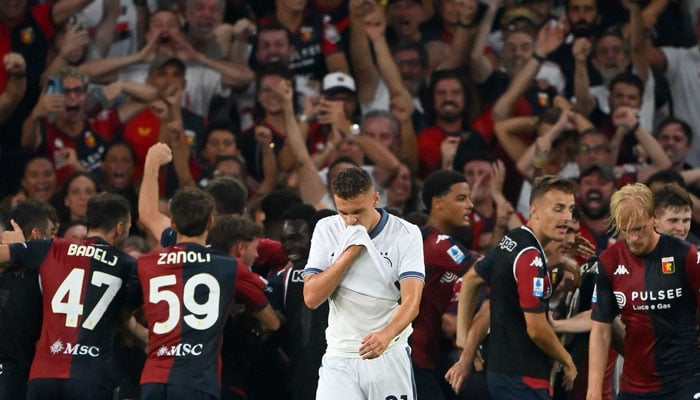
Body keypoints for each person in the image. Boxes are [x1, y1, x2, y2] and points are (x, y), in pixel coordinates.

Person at [303, 166, 425, 399]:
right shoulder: (326, 229)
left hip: (387, 352)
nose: (351, 220)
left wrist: (386, 334)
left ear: (375, 198)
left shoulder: (405, 233)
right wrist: (352, 251)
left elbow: (412, 301)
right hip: (340, 357)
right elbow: (311, 298)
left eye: (358, 211)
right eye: (343, 212)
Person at [452, 175, 578, 399]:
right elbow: (537, 329)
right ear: (534, 210)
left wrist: (463, 337)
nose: (567, 217)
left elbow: (472, 279)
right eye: (558, 208)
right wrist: (566, 360)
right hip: (523, 378)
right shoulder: (530, 256)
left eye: (570, 209)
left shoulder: (513, 239)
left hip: (503, 374)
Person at [0, 193, 136, 400]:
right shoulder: (127, 265)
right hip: (92, 375)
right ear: (120, 227)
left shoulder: (51, 247)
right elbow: (125, 312)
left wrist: (19, 247)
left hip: (44, 373)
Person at [588, 183, 700, 399]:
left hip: (685, 381)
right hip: (634, 387)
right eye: (626, 230)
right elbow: (601, 330)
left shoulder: (686, 256)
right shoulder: (609, 262)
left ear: (654, 217)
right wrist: (593, 392)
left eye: (639, 228)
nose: (633, 238)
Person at [135, 187, 238, 399]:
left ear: (172, 223)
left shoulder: (146, 262)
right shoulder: (228, 267)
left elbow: (147, 215)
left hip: (153, 379)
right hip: (197, 381)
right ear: (211, 221)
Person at [413, 170, 481, 400]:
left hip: (428, 357)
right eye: (461, 199)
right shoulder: (435, 244)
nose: (470, 205)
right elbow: (487, 271)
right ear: (438, 204)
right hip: (413, 359)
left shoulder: (437, 243)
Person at [0, 200, 58, 399]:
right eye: (51, 233)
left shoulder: (41, 274)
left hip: (22, 372)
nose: (55, 240)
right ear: (35, 235)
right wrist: (20, 249)